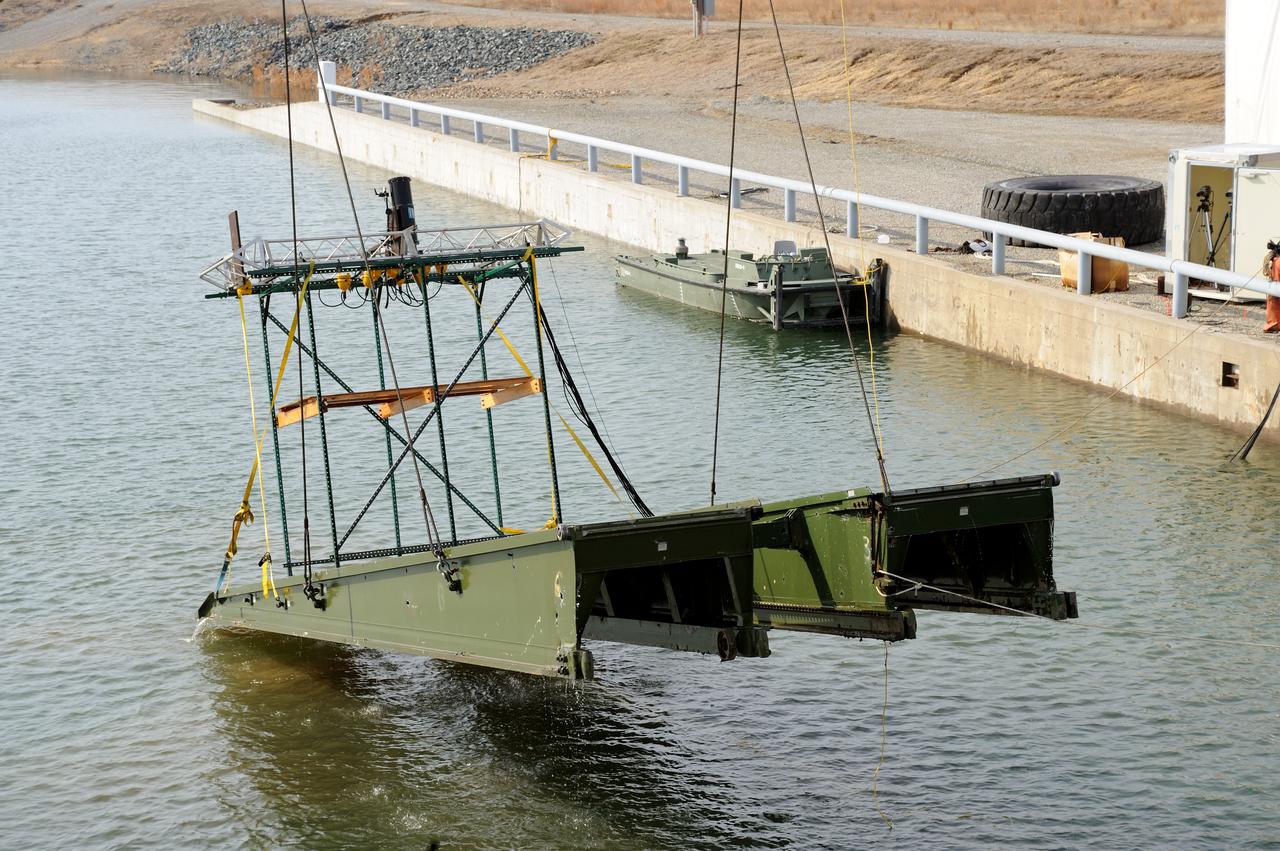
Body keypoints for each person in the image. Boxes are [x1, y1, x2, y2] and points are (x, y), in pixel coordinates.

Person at [1266, 243, 1280, 334]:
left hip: (1274, 287)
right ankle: (1274, 325)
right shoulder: (1277, 262)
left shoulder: (1275, 261)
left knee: (1273, 302)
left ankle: (1272, 325)